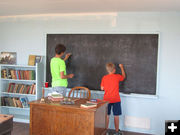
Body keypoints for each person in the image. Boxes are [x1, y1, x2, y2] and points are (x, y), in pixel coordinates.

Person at [101, 63, 126, 135]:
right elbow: (123, 76)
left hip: (106, 100)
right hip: (116, 99)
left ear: (107, 70)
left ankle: (105, 131)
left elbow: (102, 88)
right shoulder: (117, 77)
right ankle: (117, 132)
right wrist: (121, 67)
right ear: (114, 70)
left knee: (107, 116)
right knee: (116, 116)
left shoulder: (104, 77)